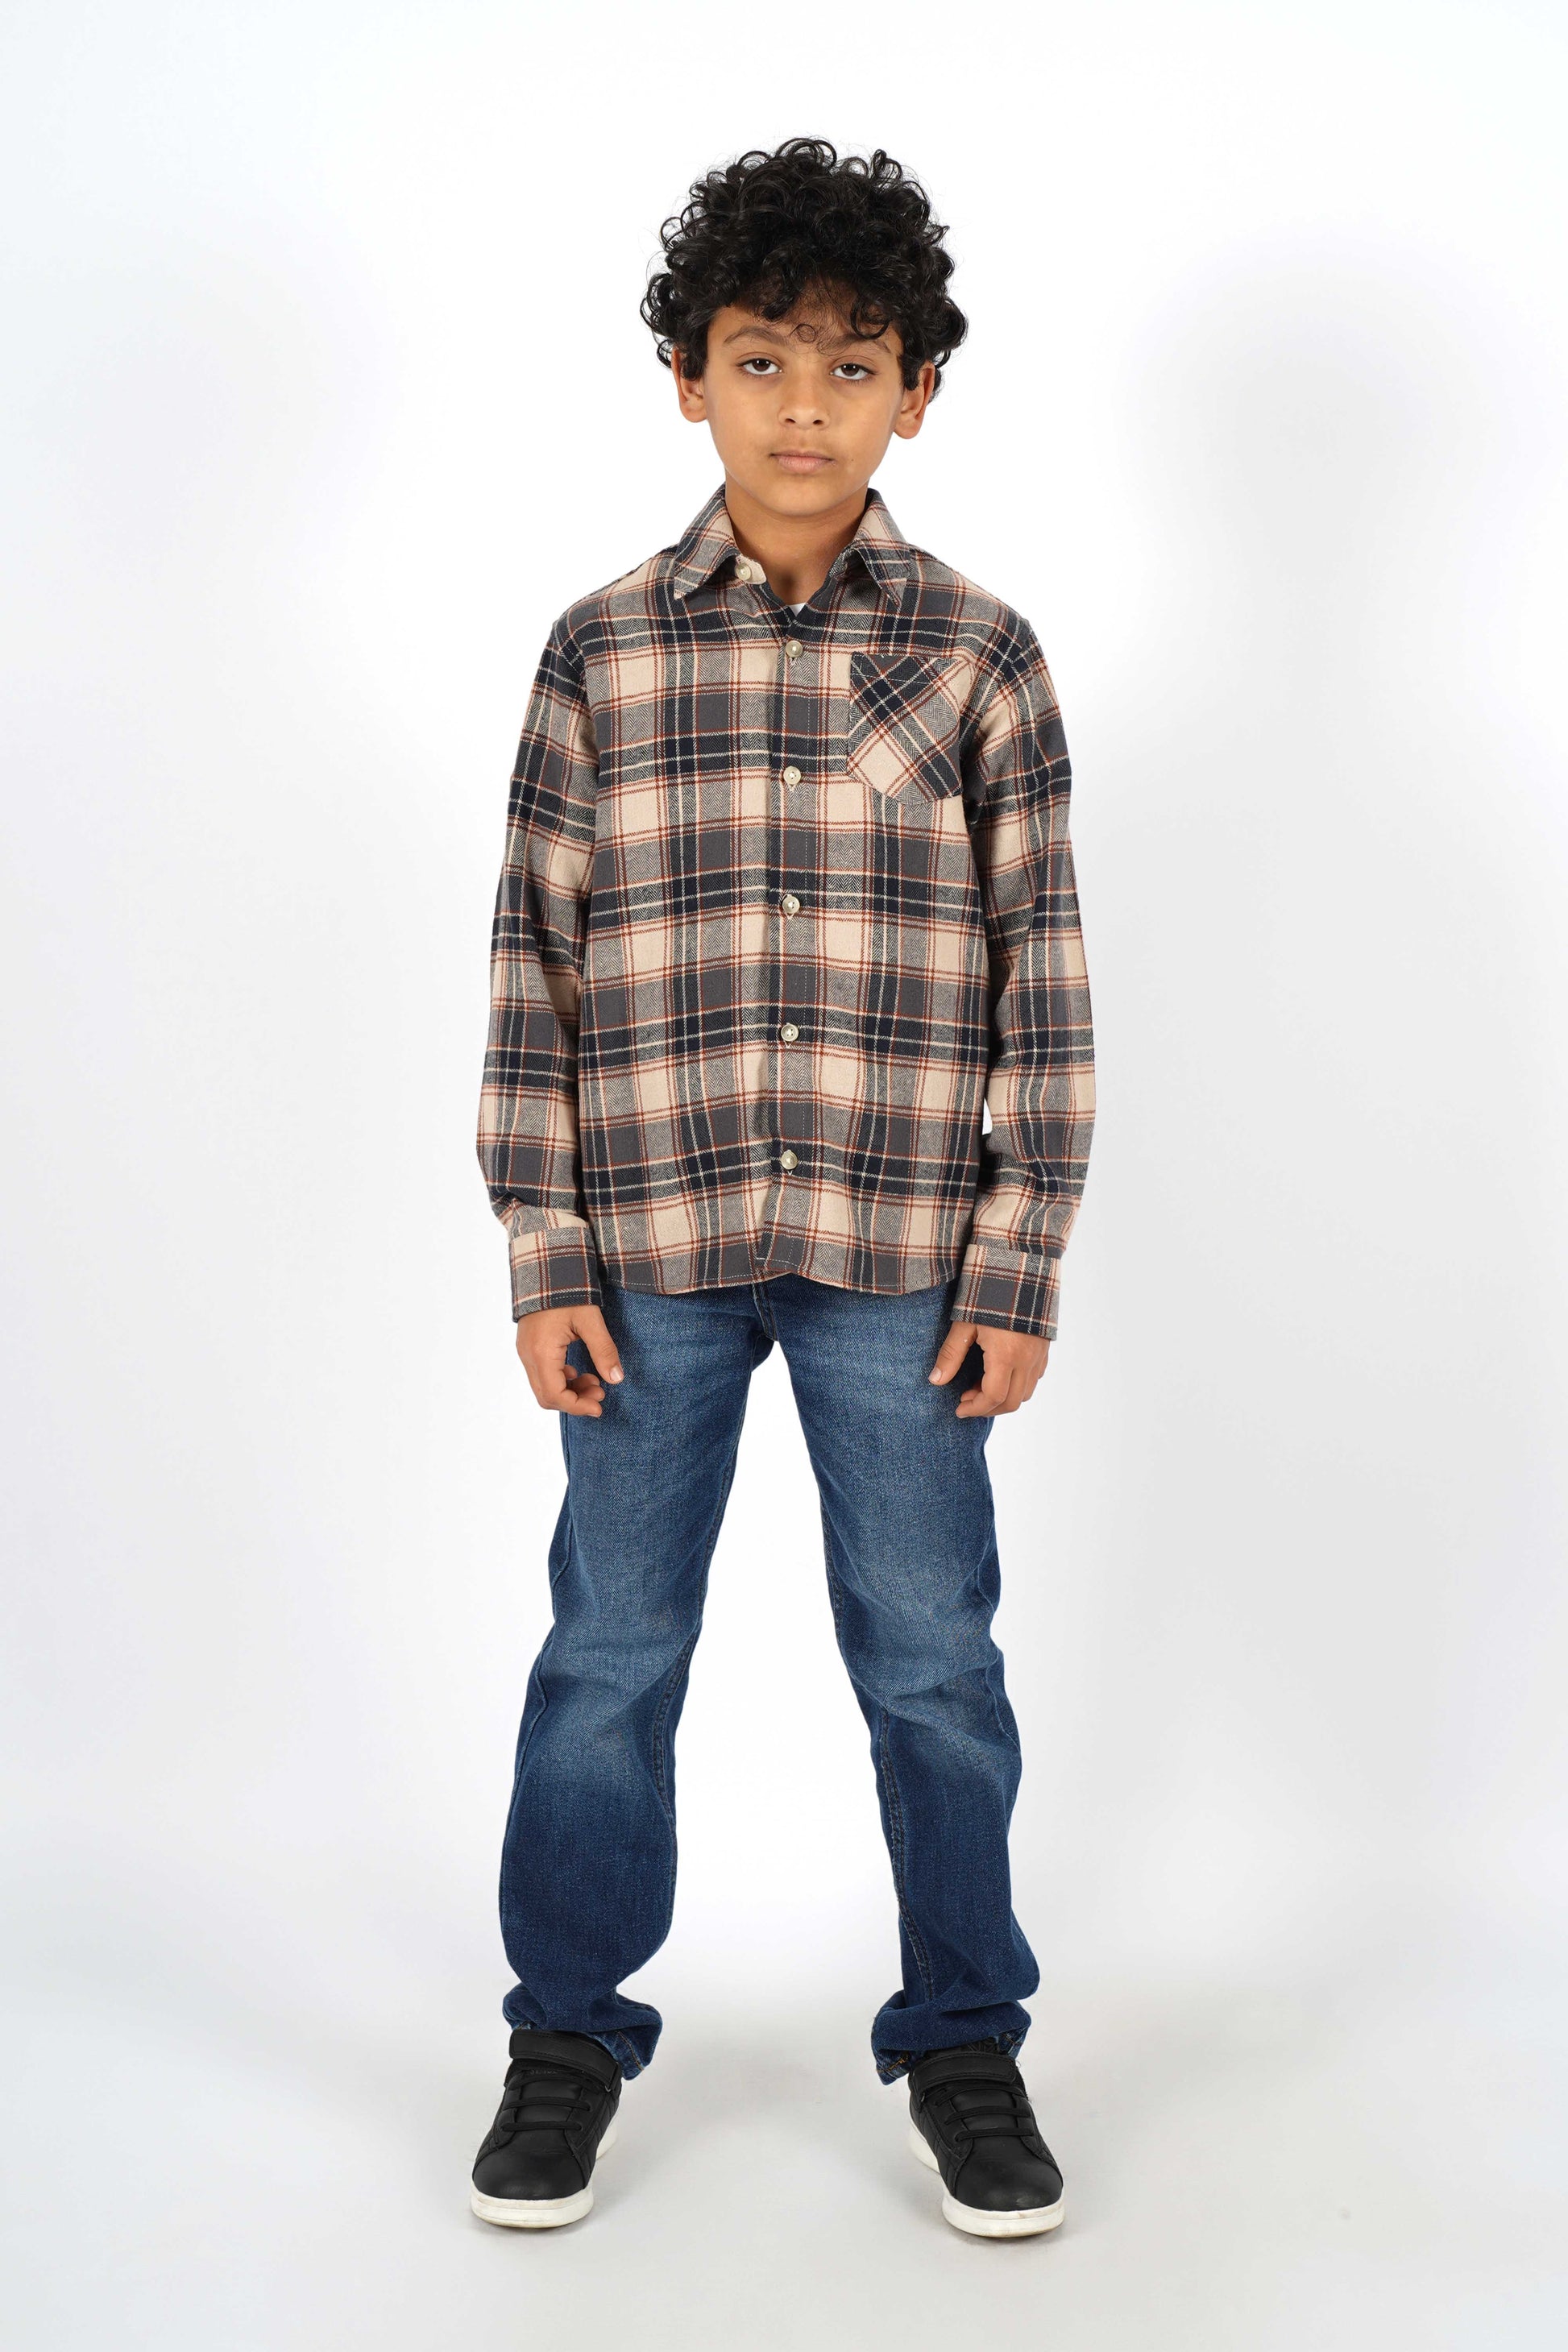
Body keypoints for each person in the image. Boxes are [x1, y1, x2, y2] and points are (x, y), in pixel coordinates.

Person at [470, 138, 1095, 2238]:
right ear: (688, 380)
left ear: (918, 391)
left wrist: (1015, 1260)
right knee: (609, 1652)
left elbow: (1043, 974)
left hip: (899, 1256)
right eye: (760, 359)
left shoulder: (982, 656)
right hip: (645, 1248)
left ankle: (966, 2039)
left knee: (931, 1661)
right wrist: (544, 1247)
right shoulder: (600, 652)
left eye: (851, 364)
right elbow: (533, 964)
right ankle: (565, 2036)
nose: (803, 405)